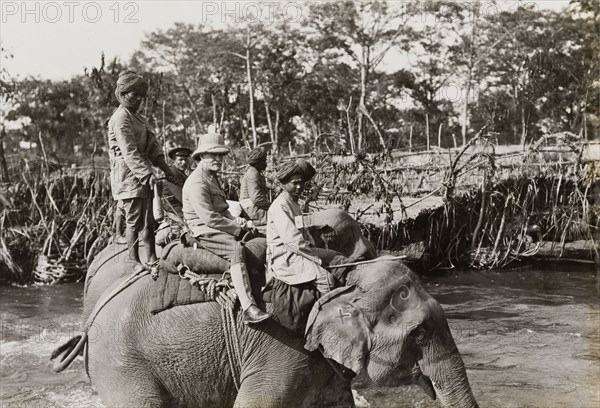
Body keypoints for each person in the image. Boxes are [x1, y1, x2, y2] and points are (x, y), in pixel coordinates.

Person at [182, 133, 271, 324]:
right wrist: (237, 230)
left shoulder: (211, 178)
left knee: (258, 237)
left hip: (217, 223)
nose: (218, 160)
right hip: (203, 229)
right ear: (201, 157)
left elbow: (222, 211)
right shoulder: (197, 182)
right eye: (213, 155)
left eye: (221, 155)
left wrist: (239, 221)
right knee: (236, 249)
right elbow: (209, 218)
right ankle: (248, 307)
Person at [108, 70, 184, 273]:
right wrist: (147, 175)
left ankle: (151, 257)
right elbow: (129, 151)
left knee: (149, 220)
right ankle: (133, 261)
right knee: (134, 219)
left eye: (142, 96)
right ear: (123, 95)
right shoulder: (120, 118)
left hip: (142, 173)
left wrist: (167, 169)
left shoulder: (139, 118)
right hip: (127, 176)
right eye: (134, 95)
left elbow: (153, 147)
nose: (139, 100)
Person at [266, 159, 333, 295]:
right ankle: (321, 314)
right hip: (286, 257)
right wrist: (316, 259)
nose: (299, 186)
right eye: (294, 183)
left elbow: (300, 230)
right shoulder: (281, 205)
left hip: (297, 251)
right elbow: (293, 241)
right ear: (283, 184)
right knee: (327, 280)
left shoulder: (294, 203)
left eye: (301, 182)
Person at [239, 147, 271, 226]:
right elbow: (256, 198)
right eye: (264, 161)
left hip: (253, 209)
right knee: (278, 216)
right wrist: (271, 206)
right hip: (252, 211)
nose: (266, 163)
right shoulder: (253, 173)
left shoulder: (254, 171)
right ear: (258, 162)